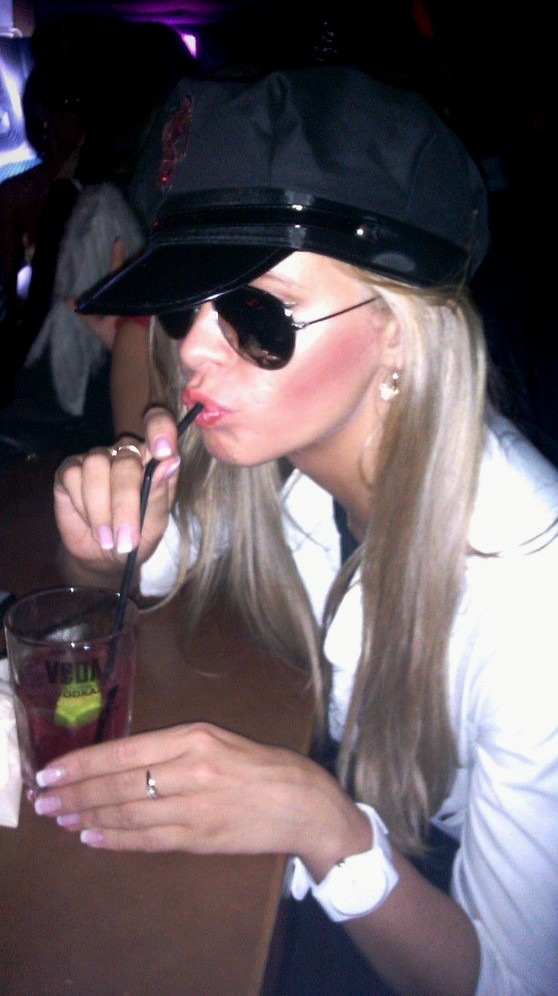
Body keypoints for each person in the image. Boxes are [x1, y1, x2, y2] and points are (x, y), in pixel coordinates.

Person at [36, 68, 557, 995]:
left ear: (398, 333)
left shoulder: (534, 594)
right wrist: (112, 535)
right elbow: (172, 563)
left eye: (256, 313)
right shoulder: (288, 458)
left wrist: (323, 824)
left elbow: (512, 980)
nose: (193, 350)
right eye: (185, 303)